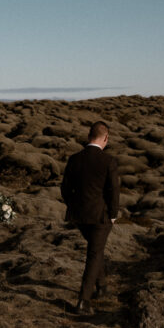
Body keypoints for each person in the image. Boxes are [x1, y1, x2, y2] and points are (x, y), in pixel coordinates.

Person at [60, 120, 120, 314]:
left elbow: (65, 189)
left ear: (88, 137)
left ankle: (101, 287)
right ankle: (83, 301)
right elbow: (114, 191)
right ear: (106, 138)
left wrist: (73, 205)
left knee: (96, 250)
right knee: (94, 254)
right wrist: (112, 214)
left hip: (79, 216)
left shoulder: (74, 159)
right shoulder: (108, 160)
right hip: (100, 217)